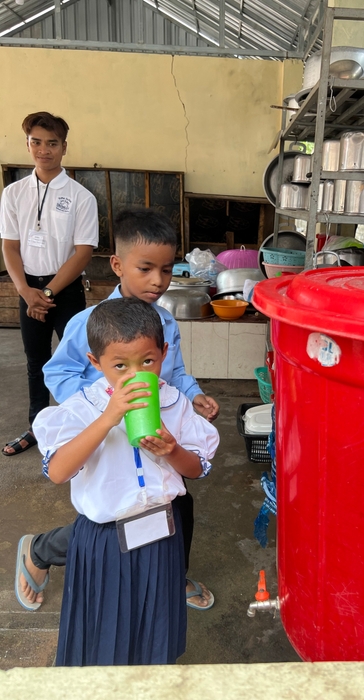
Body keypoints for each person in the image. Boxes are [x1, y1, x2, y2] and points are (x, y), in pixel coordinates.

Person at [15, 208, 219, 613]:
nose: (158, 281)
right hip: (106, 430)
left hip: (151, 428)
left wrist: (192, 394)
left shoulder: (164, 320)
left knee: (171, 503)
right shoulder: (89, 322)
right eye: (145, 269)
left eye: (166, 269)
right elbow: (58, 370)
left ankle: (170, 574)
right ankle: (39, 551)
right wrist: (101, 405)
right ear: (117, 265)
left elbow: (173, 370)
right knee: (109, 517)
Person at [32, 297, 220, 665]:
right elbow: (58, 471)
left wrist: (172, 450)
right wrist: (107, 418)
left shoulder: (175, 403)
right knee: (102, 637)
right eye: (120, 366)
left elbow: (195, 469)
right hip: (103, 541)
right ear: (95, 362)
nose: (135, 374)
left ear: (164, 353)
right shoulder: (81, 407)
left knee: (154, 633)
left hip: (161, 535)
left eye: (147, 361)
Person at [1, 111, 99, 456]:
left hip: (65, 289)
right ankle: (38, 429)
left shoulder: (81, 197)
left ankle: (87, 428)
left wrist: (46, 293)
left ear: (64, 147)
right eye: (36, 142)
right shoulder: (13, 193)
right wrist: (26, 291)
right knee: (36, 361)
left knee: (80, 360)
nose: (44, 150)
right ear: (28, 144)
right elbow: (10, 246)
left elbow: (84, 252)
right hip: (28, 289)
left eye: (52, 143)